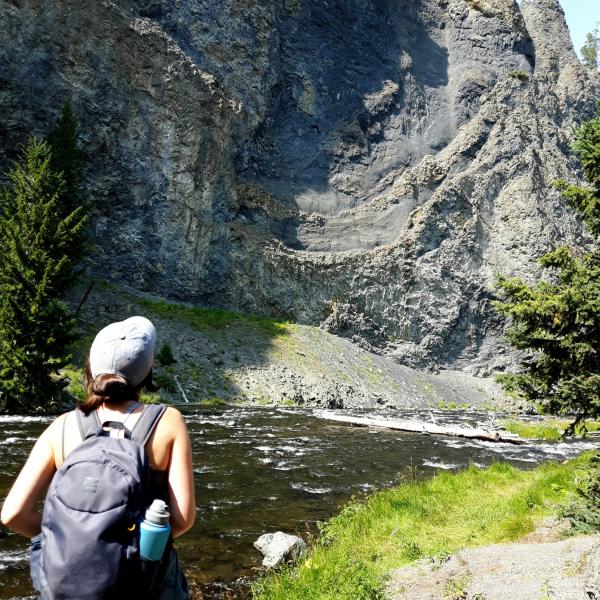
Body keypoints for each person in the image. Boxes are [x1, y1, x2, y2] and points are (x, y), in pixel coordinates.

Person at [0, 316, 195, 598]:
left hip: (73, 580)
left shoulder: (63, 426)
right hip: (146, 580)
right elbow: (183, 518)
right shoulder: (168, 421)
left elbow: (12, 514)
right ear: (149, 369)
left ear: (91, 368)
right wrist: (129, 547)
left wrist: (73, 542)